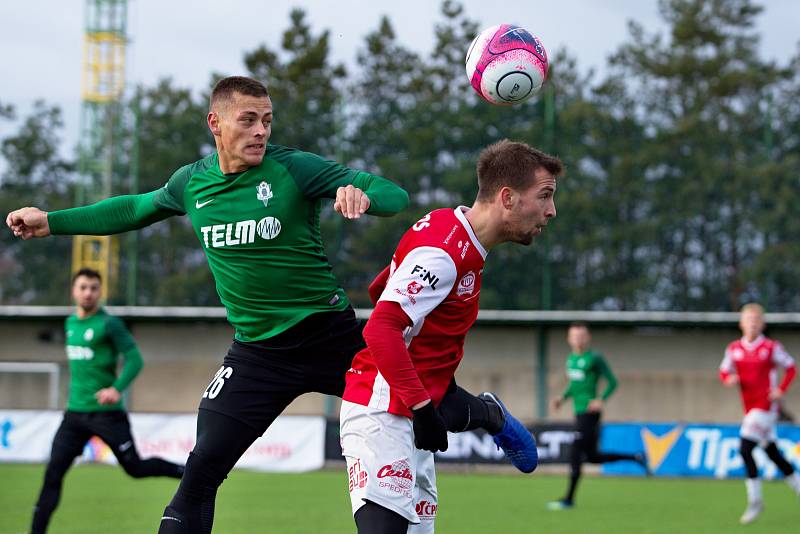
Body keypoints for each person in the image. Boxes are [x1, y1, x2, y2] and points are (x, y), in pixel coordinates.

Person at [7, 76, 524, 534]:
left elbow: (392, 193)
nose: (261, 131)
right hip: (256, 354)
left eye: (268, 120)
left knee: (435, 405)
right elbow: (133, 208)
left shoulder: (293, 168)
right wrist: (52, 220)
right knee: (200, 471)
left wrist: (359, 194)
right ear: (215, 122)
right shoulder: (192, 182)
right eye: (248, 120)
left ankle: (488, 414)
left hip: (329, 335)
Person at [340, 139, 554, 533]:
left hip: (416, 412)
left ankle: (484, 412)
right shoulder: (443, 253)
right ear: (507, 197)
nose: (551, 210)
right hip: (381, 410)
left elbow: (382, 288)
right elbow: (380, 328)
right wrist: (423, 409)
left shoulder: (450, 228)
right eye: (544, 196)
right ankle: (484, 413)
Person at [30, 268, 184, 534]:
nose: (88, 292)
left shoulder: (109, 324)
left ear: (100, 292)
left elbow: (135, 359)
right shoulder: (70, 324)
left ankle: (188, 472)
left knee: (135, 467)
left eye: (93, 288)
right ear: (74, 291)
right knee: (52, 474)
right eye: (83, 287)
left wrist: (116, 388)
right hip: (74, 416)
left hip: (107, 415)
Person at [547, 322, 648, 511]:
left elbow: (612, 382)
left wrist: (601, 399)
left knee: (575, 450)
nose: (578, 339)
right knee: (592, 456)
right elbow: (575, 385)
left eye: (581, 336)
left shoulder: (594, 358)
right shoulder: (571, 359)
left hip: (590, 412)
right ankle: (635, 457)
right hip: (578, 412)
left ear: (588, 338)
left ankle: (568, 499)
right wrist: (563, 398)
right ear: (569, 339)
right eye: (574, 336)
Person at [719, 303, 800, 525]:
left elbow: (791, 367)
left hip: (765, 407)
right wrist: (729, 379)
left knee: (745, 449)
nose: (753, 323)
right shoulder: (734, 348)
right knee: (773, 453)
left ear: (763, 324)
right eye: (749, 319)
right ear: (741, 323)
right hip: (749, 408)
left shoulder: (771, 347)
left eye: (757, 320)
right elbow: (724, 371)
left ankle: (755, 500)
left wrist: (780, 390)